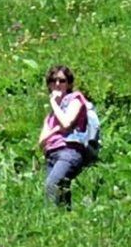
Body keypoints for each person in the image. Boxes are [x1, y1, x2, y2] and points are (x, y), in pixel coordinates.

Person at [37, 65, 91, 208]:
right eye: (53, 81)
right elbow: (41, 142)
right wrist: (56, 129)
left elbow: (67, 123)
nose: (57, 84)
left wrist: (54, 102)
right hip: (51, 155)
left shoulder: (75, 99)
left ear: (69, 84)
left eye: (62, 80)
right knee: (61, 197)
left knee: (51, 186)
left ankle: (49, 220)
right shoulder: (50, 116)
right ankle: (64, 223)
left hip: (69, 151)